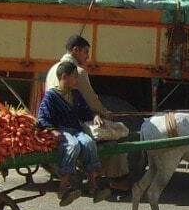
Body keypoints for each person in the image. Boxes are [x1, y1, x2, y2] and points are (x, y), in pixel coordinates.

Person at [44, 34, 131, 191]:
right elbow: (91, 102)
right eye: (85, 52)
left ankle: (90, 179)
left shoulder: (52, 70)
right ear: (75, 50)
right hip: (72, 125)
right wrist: (105, 113)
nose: (88, 57)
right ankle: (117, 180)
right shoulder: (78, 72)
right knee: (116, 139)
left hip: (62, 124)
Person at [37, 60, 107, 206]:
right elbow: (43, 118)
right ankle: (63, 188)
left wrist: (95, 116)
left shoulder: (76, 94)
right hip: (61, 131)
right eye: (75, 76)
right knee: (73, 146)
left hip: (76, 130)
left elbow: (86, 112)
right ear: (64, 76)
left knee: (88, 143)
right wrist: (52, 131)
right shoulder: (51, 96)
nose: (77, 80)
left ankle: (94, 185)